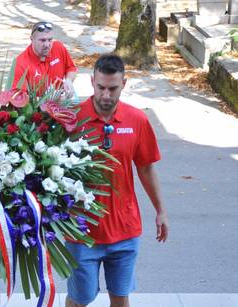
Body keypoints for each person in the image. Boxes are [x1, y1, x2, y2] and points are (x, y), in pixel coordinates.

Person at [65, 54, 169, 307]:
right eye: (101, 87)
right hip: (82, 231)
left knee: (121, 298)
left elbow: (145, 169)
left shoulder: (138, 120)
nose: (106, 96)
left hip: (125, 230)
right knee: (80, 299)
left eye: (113, 88)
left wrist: (161, 211)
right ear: (92, 82)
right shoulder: (71, 120)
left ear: (124, 83)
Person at [13, 21, 77, 97]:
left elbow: (71, 68)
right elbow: (18, 97)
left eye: (50, 40)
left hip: (61, 96)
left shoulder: (58, 47)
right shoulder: (20, 63)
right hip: (36, 105)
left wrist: (69, 81)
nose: (47, 45)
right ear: (32, 39)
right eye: (42, 40)